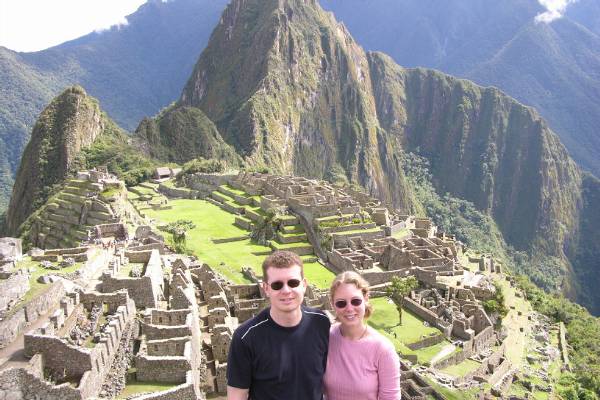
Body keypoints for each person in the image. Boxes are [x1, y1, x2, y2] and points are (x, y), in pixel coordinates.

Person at [227, 250, 331, 400]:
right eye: (277, 285)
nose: (286, 290)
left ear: (304, 285)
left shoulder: (321, 322)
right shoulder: (246, 337)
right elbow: (237, 395)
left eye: (293, 282)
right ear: (266, 288)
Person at [324, 271, 401, 400]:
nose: (349, 308)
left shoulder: (383, 350)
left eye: (355, 301)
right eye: (341, 303)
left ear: (366, 299)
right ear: (332, 304)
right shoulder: (325, 338)